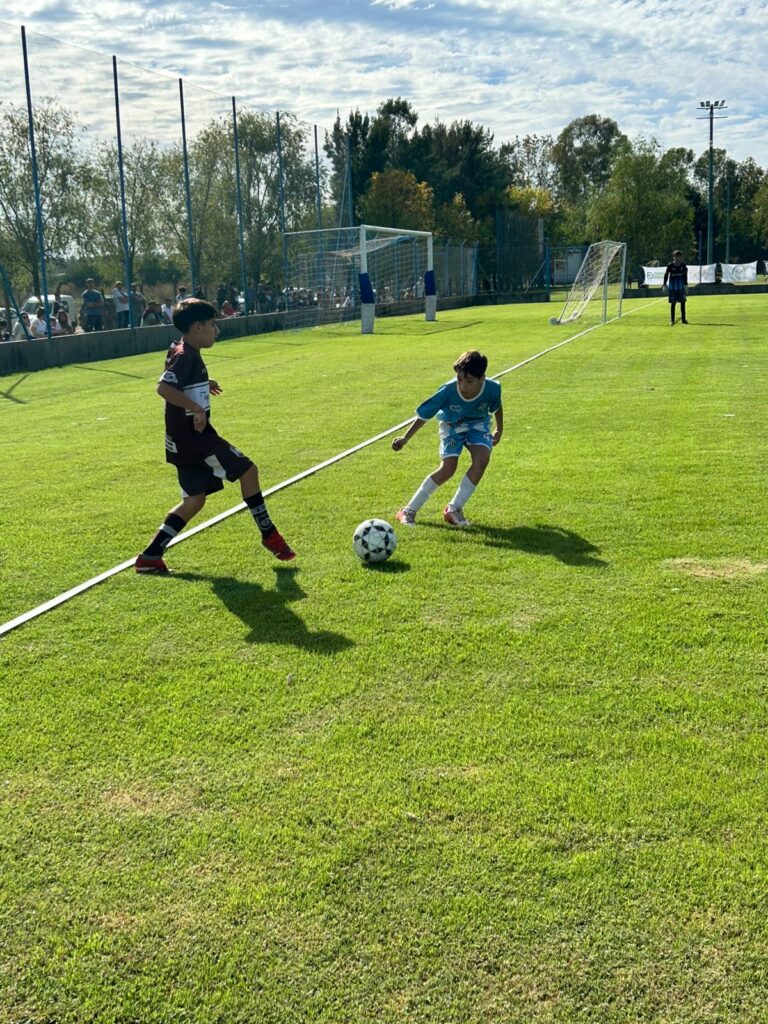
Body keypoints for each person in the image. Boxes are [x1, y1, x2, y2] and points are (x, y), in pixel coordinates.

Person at [135, 298, 295, 574]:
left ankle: (150, 555)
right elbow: (163, 387)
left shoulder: (181, 349)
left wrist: (202, 384)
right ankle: (269, 534)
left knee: (194, 500)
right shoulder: (186, 355)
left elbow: (175, 380)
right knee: (248, 471)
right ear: (197, 327)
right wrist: (195, 406)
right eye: (212, 325)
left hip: (181, 444)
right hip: (197, 441)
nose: (216, 331)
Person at [392, 350, 503, 527]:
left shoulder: (492, 388)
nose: (463, 386)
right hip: (452, 425)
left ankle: (454, 509)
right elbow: (425, 415)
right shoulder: (447, 391)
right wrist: (405, 438)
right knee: (448, 468)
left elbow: (497, 407)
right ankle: (408, 510)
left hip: (478, 424)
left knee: (482, 459)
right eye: (459, 379)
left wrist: (499, 429)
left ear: (482, 378)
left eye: (469, 381)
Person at [663, 250, 689, 325]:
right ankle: (672, 320)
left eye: (679, 257)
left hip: (681, 287)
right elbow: (666, 275)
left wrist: (686, 285)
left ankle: (683, 320)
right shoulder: (670, 265)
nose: (677, 258)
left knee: (683, 303)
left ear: (681, 257)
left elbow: (685, 276)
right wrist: (664, 285)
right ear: (673, 257)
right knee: (673, 303)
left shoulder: (683, 266)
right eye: (676, 257)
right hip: (672, 288)